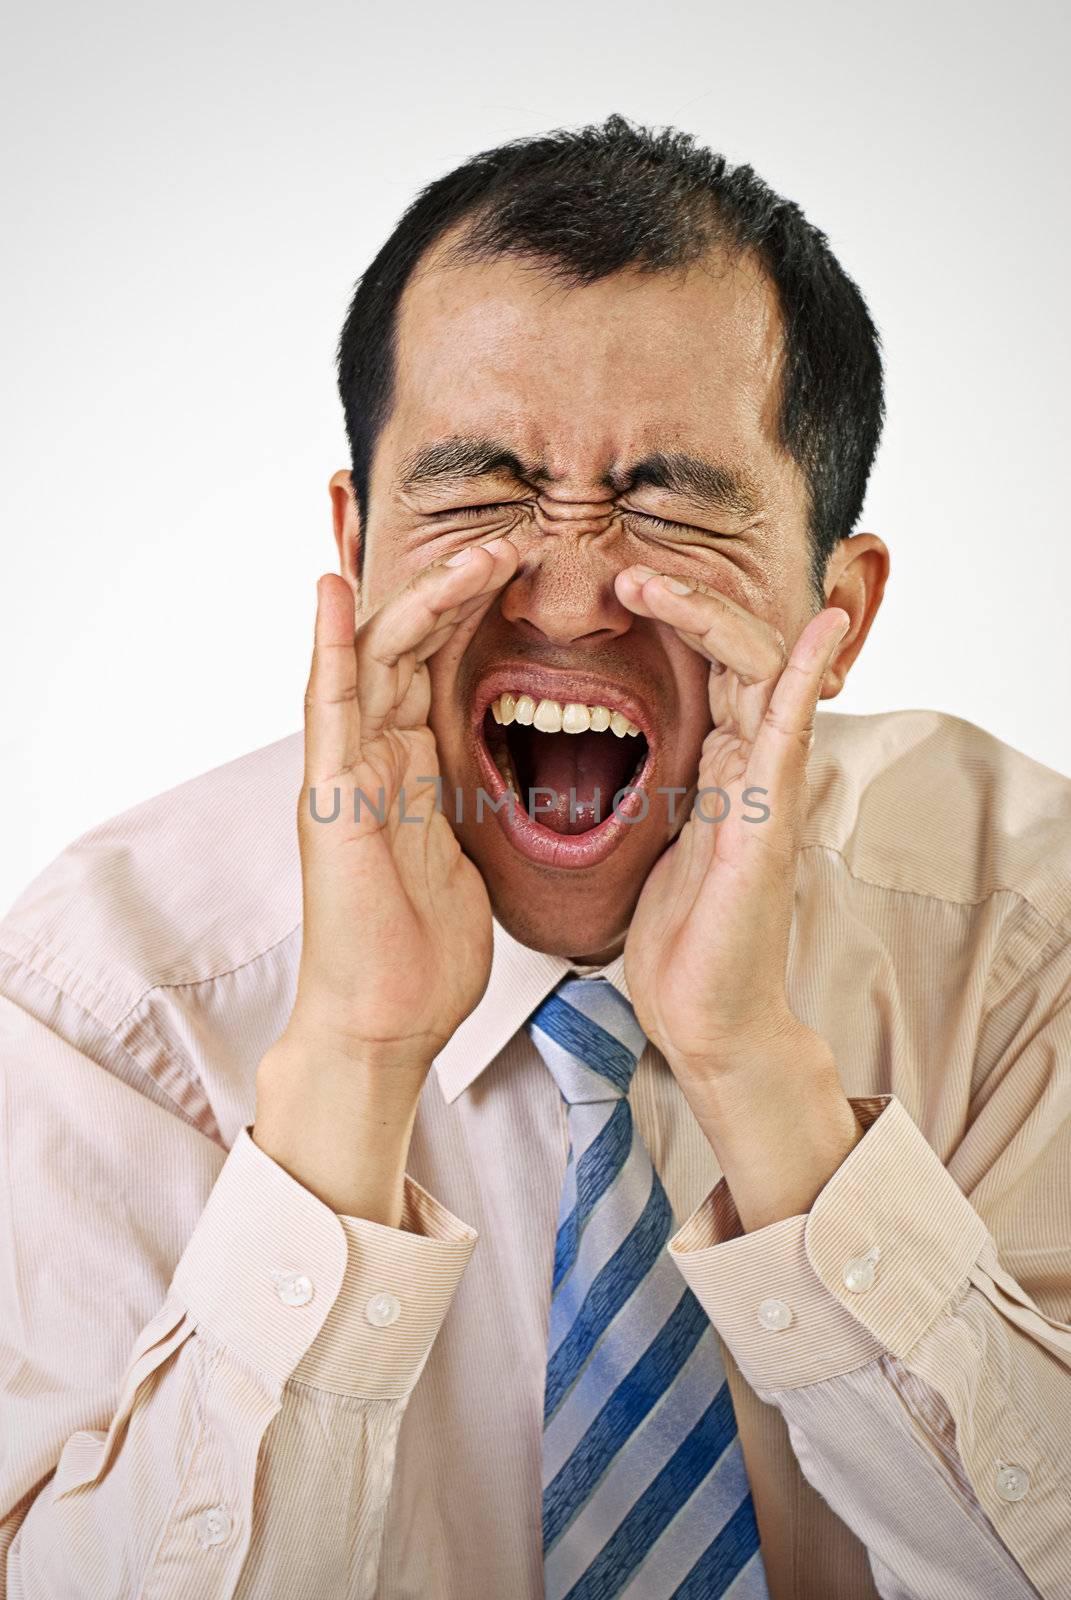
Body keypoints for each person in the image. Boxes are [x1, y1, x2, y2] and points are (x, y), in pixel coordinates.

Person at [1, 114, 1068, 1600]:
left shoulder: (1027, 928)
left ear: (842, 608)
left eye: (667, 501)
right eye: (484, 490)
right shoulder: (104, 996)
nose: (568, 598)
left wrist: (763, 1081)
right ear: (357, 538)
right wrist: (352, 1071)